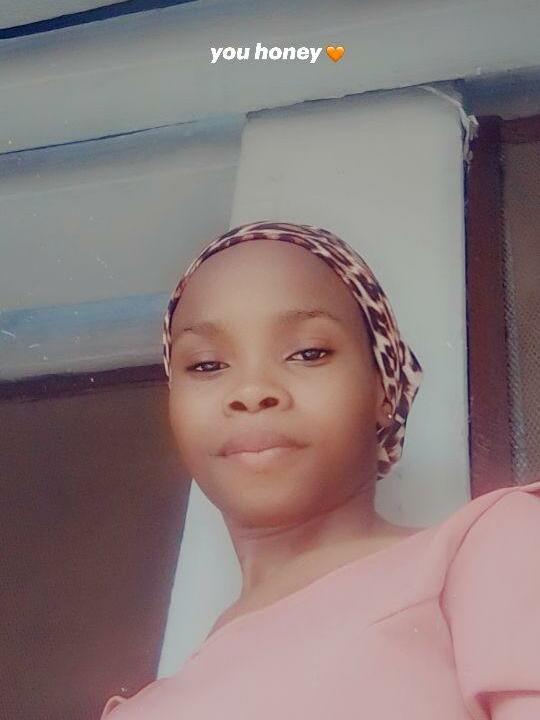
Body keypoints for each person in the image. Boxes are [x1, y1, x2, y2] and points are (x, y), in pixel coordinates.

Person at [100, 221, 540, 719]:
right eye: (206, 365)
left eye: (308, 353)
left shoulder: (485, 550)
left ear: (383, 388)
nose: (251, 390)